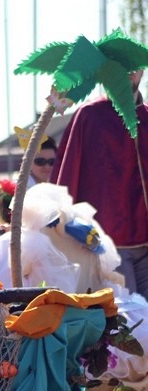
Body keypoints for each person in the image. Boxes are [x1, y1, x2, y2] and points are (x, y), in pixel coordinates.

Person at [52, 70, 148, 299]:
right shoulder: (90, 116)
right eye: (121, 66)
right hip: (107, 243)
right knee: (127, 319)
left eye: (134, 66)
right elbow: (68, 172)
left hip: (145, 241)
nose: (128, 72)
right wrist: (62, 222)